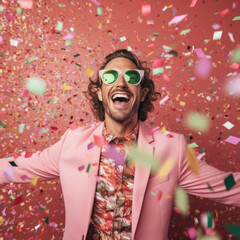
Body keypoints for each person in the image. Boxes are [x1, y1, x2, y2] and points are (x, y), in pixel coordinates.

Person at [0, 49, 239, 240]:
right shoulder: (71, 143)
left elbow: (228, 187)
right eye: (110, 77)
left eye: (132, 77)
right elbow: (16, 167)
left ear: (143, 93)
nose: (121, 83)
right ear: (101, 93)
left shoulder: (171, 147)